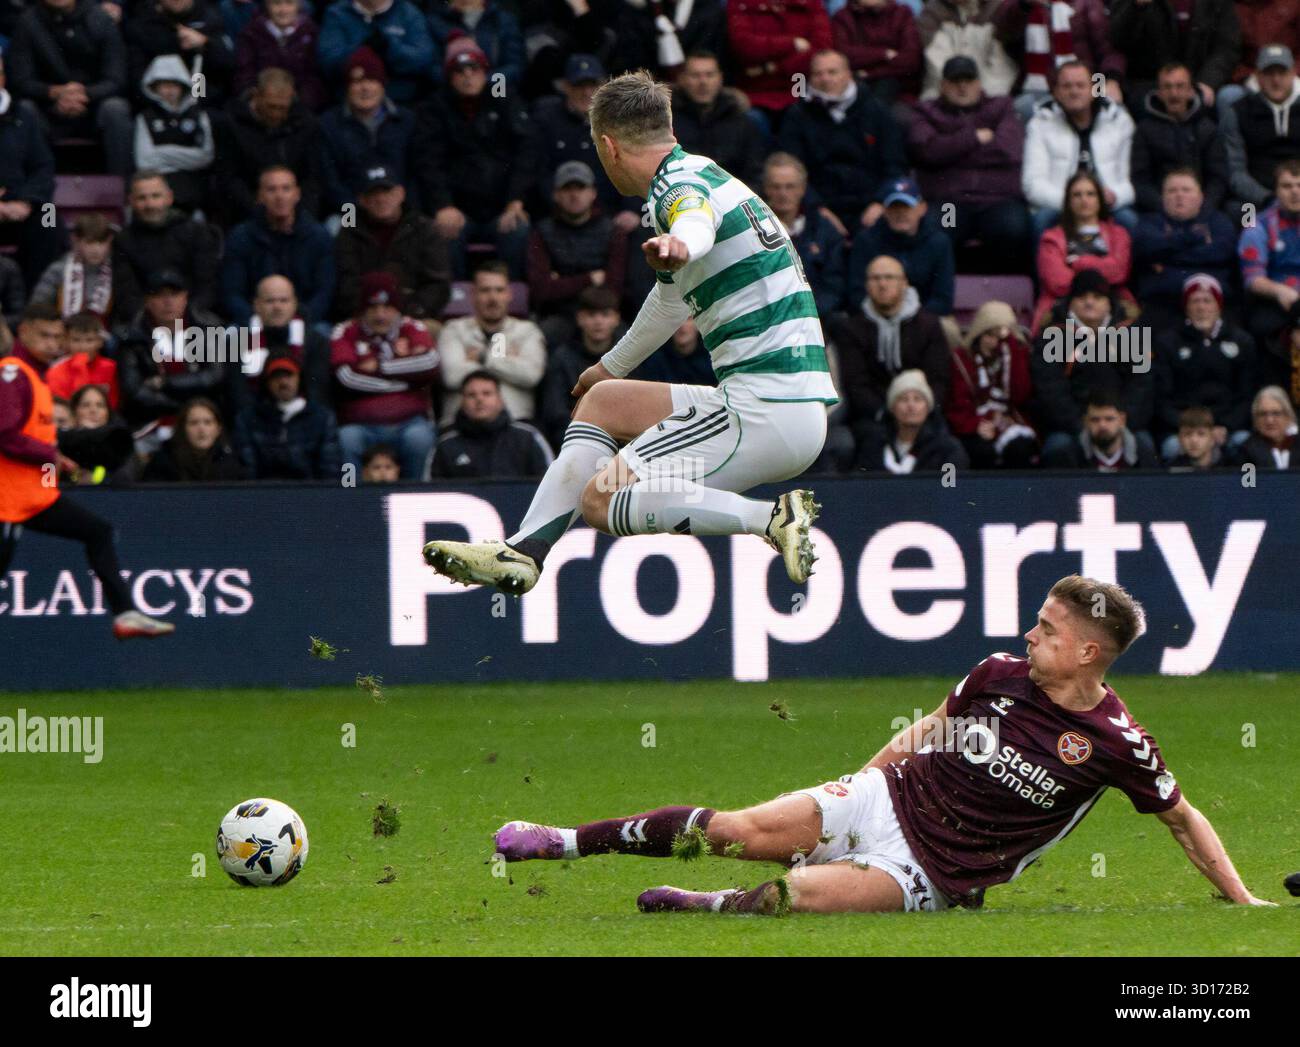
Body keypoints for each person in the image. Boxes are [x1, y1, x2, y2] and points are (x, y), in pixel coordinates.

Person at [492, 576, 1274, 915]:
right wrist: (856, 788)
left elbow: (1182, 817)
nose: (1030, 634)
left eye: (1048, 629)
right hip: (888, 797)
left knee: (796, 898)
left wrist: (1238, 898)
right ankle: (561, 841)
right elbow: (931, 725)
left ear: (1088, 655)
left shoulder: (1116, 742)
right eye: (1037, 620)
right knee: (736, 832)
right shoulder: (999, 673)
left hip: (931, 872)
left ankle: (704, 905)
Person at [422, 71, 838, 597]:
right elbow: (669, 300)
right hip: (782, 406)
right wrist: (609, 367)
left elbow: (694, 219)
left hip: (761, 415)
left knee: (602, 498)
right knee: (604, 402)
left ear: (608, 146)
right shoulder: (703, 171)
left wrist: (682, 243)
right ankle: (524, 551)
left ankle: (769, 520)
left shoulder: (676, 189)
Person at [0, 304, 175, 638]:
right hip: (7, 500)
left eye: (57, 337)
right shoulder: (12, 372)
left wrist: (56, 466)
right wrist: (51, 453)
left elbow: (32, 441)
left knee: (98, 531)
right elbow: (6, 434)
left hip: (32, 496)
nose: (53, 343)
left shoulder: (35, 378)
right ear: (23, 332)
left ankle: (125, 614)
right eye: (44, 335)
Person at [411, 39, 537, 279]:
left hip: (501, 207)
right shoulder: (434, 108)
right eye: (459, 71)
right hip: (457, 208)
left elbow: (527, 152)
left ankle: (509, 301)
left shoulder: (504, 99)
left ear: (485, 72)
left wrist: (516, 200)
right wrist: (443, 205)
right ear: (449, 76)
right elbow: (428, 161)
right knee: (443, 230)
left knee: (518, 228)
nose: (468, 76)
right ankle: (451, 301)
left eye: (474, 69)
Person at [908, 54, 1030, 272]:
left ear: (979, 83)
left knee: (1014, 228)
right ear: (943, 85)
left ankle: (1006, 293)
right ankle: (943, 296)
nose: (962, 87)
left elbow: (1007, 150)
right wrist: (973, 138)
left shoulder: (1001, 107)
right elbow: (928, 151)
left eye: (968, 81)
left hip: (996, 199)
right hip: (950, 201)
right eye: (955, 82)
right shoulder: (925, 111)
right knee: (939, 229)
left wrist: (950, 150)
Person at [831, 254, 951, 457]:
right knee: (867, 442)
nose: (882, 284)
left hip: (922, 413)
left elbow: (939, 379)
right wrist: (888, 413)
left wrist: (916, 410)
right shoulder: (852, 328)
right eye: (875, 278)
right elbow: (856, 383)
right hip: (875, 416)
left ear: (904, 283)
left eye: (889, 277)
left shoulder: (929, 325)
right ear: (867, 285)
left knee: (942, 443)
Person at [777, 49, 907, 235]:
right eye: (818, 73)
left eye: (832, 72)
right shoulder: (797, 115)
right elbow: (793, 169)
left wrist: (879, 202)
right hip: (819, 209)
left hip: (871, 207)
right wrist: (818, 208)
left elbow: (895, 165)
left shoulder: (876, 111)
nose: (825, 78)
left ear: (848, 74)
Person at [1031, 270, 1153, 461]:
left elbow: (1143, 384)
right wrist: (1084, 425)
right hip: (1071, 427)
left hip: (1123, 423)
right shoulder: (1052, 336)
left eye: (1097, 297)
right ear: (1071, 301)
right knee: (1058, 447)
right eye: (1081, 297)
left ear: (1108, 302)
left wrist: (1119, 422)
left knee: (1145, 446)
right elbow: (1050, 391)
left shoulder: (1132, 333)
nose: (1089, 302)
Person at [331, 270, 440, 480]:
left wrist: (381, 367)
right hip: (360, 425)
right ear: (363, 308)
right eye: (373, 307)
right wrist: (405, 380)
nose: (380, 315)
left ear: (397, 308)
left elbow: (430, 362)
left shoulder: (412, 328)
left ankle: (416, 501)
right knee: (347, 440)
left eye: (387, 307)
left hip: (409, 422)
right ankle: (348, 497)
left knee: (420, 439)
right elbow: (345, 376)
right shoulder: (345, 331)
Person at [8, 0, 133, 176]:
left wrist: (84, 94)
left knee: (116, 109)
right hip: (47, 109)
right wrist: (54, 92)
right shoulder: (27, 23)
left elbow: (116, 78)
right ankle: (29, 194)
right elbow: (20, 80)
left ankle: (123, 193)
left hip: (94, 107)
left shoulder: (100, 19)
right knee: (24, 109)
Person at [1022, 61, 1138, 241]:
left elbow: (1131, 180)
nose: (1074, 92)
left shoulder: (1119, 121)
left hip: (1107, 205)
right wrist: (1073, 202)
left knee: (1129, 221)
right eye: (1067, 86)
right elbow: (1032, 185)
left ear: (1093, 89)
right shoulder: (1040, 123)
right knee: (1041, 220)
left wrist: (1114, 196)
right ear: (1056, 92)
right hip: (1058, 205)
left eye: (1080, 85)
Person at [1153, 273, 1256, 459]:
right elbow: (1161, 397)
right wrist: (1191, 431)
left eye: (1207, 301)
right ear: (1186, 307)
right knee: (1171, 448)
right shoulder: (1167, 342)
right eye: (1195, 301)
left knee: (1245, 443)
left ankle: (1245, 488)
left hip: (1226, 427)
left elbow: (1246, 395)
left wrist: (1225, 426)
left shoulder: (1242, 341)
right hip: (1184, 429)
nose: (1201, 307)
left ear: (1218, 305)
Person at [526, 159, 628, 346]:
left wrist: (560, 283)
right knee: (538, 338)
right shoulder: (542, 232)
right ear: (556, 195)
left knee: (629, 340)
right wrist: (590, 279)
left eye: (580, 188)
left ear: (592, 193)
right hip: (558, 316)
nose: (574, 195)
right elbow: (541, 290)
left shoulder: (613, 231)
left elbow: (614, 289)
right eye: (567, 189)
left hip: (602, 315)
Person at [117, 269, 228, 436]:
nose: (168, 302)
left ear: (185, 298)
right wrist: (180, 408)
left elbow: (213, 376)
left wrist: (164, 383)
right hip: (151, 422)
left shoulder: (209, 329)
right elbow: (134, 389)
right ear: (147, 301)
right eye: (160, 295)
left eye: (174, 294)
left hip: (203, 419)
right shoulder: (131, 337)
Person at [334, 167, 451, 323]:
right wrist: (371, 314)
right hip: (364, 318)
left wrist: (409, 314)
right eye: (374, 194)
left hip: (415, 317)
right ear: (362, 200)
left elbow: (437, 284)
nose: (381, 199)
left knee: (432, 331)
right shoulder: (350, 232)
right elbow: (347, 283)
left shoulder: (424, 229)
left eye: (387, 192)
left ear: (401, 194)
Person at [221, 165, 335, 325]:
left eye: (286, 189)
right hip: (254, 321)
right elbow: (233, 292)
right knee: (229, 339)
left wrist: (301, 320)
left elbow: (324, 292)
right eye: (272, 190)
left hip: (306, 322)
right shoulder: (241, 237)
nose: (280, 196)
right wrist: (256, 321)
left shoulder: (319, 237)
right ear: (260, 196)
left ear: (297, 194)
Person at [438, 261, 546, 428]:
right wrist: (507, 362)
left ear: (509, 294)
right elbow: (451, 377)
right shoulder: (453, 330)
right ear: (473, 294)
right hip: (460, 427)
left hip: (516, 424)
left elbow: (531, 376)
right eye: (485, 290)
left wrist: (481, 357)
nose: (493, 298)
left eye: (499, 290)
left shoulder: (527, 331)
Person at [1131, 167, 1238, 331]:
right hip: (1163, 303)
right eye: (1172, 191)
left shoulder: (1219, 221)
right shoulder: (1148, 222)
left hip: (1213, 301)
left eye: (1186, 190)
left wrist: (1168, 257)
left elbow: (1222, 252)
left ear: (1201, 197)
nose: (1179, 195)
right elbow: (1147, 247)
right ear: (1163, 197)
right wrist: (1195, 240)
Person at [318, 46, 415, 215]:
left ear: (383, 85)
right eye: (357, 82)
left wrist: (398, 211)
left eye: (371, 80)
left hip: (400, 213)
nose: (365, 88)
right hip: (349, 212)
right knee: (337, 233)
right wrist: (354, 214)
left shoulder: (406, 120)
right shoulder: (328, 125)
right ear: (347, 87)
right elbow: (329, 183)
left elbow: (417, 174)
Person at [217, 67, 321, 224]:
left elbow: (312, 178)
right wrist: (257, 210)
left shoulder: (305, 124)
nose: (276, 114)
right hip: (246, 212)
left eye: (282, 108)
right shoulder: (231, 124)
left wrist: (301, 215)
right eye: (271, 106)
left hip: (296, 211)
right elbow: (229, 178)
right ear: (256, 95)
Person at [1033, 171, 1133, 333]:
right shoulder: (1051, 237)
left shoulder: (1119, 234)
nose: (1084, 199)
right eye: (1077, 195)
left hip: (1114, 309)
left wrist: (1079, 263)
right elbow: (1058, 283)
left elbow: (1119, 271)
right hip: (1063, 311)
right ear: (1068, 201)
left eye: (1090, 194)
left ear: (1100, 199)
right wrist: (1101, 269)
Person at [995, 0, 1125, 118]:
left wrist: (1111, 81)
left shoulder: (1088, 4)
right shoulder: (1018, 5)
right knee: (1019, 110)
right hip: (1039, 89)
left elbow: (1107, 50)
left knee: (1113, 110)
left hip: (1086, 85)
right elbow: (1002, 31)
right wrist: (1024, 5)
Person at [847, 176, 956, 315]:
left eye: (907, 207)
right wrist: (886, 315)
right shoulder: (866, 241)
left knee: (948, 329)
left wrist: (910, 320)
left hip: (924, 321)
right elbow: (856, 293)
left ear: (922, 208)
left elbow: (942, 299)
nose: (900, 213)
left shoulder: (939, 242)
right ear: (884, 211)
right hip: (874, 318)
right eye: (894, 207)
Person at [116, 171, 220, 317]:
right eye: (142, 198)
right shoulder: (123, 241)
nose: (150, 204)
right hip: (145, 324)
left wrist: (186, 316)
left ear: (169, 198)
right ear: (131, 201)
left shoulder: (197, 233)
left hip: (193, 319)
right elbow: (127, 293)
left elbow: (207, 285)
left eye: (155, 196)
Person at [946, 300, 1036, 467]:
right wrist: (976, 426)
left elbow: (1020, 395)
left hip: (1010, 423)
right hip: (973, 423)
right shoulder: (962, 359)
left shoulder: (1018, 355)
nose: (994, 342)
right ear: (978, 334)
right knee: (981, 450)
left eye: (1000, 337)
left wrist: (1010, 347)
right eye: (989, 335)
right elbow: (957, 404)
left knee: (1020, 449)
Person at [1130, 62, 1229, 214]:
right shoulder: (1144, 130)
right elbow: (1140, 180)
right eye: (1167, 87)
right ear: (1159, 93)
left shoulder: (1207, 129)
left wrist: (1202, 207)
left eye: (1180, 86)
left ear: (1191, 91)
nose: (1174, 93)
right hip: (1158, 212)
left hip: (1202, 210)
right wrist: (1165, 207)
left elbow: (1218, 178)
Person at [1107, 0, 1240, 108]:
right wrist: (1135, 7)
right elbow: (1117, 41)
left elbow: (1226, 46)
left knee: (1225, 100)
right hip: (1149, 85)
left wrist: (1208, 81)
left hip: (1199, 83)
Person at [0, 51, 60, 289]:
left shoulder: (23, 115)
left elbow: (44, 167)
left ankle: (37, 298)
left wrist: (26, 202)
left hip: (21, 206)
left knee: (50, 216)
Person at [760, 153, 845, 319]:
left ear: (803, 188)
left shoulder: (824, 230)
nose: (783, 193)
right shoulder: (753, 230)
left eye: (790, 186)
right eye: (776, 187)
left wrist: (807, 314)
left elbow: (834, 284)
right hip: (768, 320)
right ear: (766, 188)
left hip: (817, 320)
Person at [233, 353, 342, 479]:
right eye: (276, 377)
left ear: (299, 378)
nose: (283, 382)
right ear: (267, 382)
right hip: (263, 493)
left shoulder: (322, 418)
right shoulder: (249, 419)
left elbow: (330, 467)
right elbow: (248, 468)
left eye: (289, 375)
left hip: (311, 492)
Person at [538, 286, 623, 449]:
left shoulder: (631, 357)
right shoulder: (562, 358)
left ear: (616, 319)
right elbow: (555, 411)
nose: (598, 321)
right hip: (573, 439)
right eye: (591, 315)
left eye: (605, 314)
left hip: (622, 441)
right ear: (580, 319)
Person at [1238, 157, 1300, 377]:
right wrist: (1281, 291)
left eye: (1299, 185)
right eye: (1287, 186)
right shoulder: (1258, 225)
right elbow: (1253, 279)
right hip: (1277, 300)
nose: (1295, 192)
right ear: (1275, 190)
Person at [431, 370, 554, 479]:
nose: (479, 399)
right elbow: (433, 495)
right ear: (462, 402)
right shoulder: (445, 445)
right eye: (471, 395)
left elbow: (550, 486)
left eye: (487, 393)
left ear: (500, 400)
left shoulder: (528, 438)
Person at [132, 54, 216, 214]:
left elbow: (205, 156)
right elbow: (145, 161)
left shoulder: (198, 115)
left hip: (195, 188)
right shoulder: (145, 117)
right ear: (154, 87)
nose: (169, 90)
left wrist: (162, 153)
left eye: (174, 85)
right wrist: (187, 156)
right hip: (159, 186)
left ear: (183, 86)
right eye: (164, 85)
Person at [1222, 44, 1300, 211]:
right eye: (1269, 73)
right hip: (1256, 200)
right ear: (1257, 75)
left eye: (1282, 73)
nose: (1276, 80)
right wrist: (1268, 198)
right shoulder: (1238, 111)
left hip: (1298, 195)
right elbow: (1235, 171)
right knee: (1241, 215)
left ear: (1293, 73)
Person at [727, 0, 832, 122]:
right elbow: (744, 47)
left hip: (800, 89)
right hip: (755, 93)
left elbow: (820, 51)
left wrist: (772, 67)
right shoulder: (741, 3)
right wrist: (792, 44)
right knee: (752, 120)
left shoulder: (810, 4)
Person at [237, 274, 333, 407]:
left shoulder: (315, 342)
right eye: (270, 301)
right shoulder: (240, 342)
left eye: (284, 300)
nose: (277, 306)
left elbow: (317, 393)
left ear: (294, 304)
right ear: (256, 305)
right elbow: (239, 395)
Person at [316, 0, 434, 106]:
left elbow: (423, 60)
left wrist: (389, 48)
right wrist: (363, 49)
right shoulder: (337, 13)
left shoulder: (409, 14)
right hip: (349, 105)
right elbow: (329, 62)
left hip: (402, 102)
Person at [30, 213, 134, 329]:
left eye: (101, 242)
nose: (96, 250)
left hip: (106, 336)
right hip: (63, 334)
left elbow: (126, 311)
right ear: (76, 240)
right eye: (89, 242)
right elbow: (38, 307)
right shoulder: (58, 270)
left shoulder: (119, 271)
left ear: (110, 241)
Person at [125, 0, 236, 106]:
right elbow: (137, 77)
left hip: (202, 96)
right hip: (157, 101)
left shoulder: (209, 17)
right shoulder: (143, 24)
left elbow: (229, 64)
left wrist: (205, 44)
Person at [857, 368, 969, 472]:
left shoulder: (947, 449)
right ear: (892, 408)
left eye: (918, 399)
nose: (911, 405)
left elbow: (952, 488)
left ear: (928, 407)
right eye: (904, 399)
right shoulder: (874, 446)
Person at [233, 0, 325, 112]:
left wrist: (300, 103)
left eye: (289, 3)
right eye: (276, 3)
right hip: (260, 104)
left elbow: (314, 76)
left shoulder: (311, 33)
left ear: (298, 5)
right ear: (267, 5)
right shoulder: (251, 34)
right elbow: (244, 73)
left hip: (300, 106)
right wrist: (253, 98)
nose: (283, 10)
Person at [831, 0, 922, 105]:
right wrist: (884, 54)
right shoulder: (843, 17)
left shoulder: (902, 13)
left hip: (896, 85)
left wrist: (870, 73)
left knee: (886, 85)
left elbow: (911, 59)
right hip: (856, 83)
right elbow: (844, 55)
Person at [427, 0, 526, 91]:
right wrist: (459, 82)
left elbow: (515, 66)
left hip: (498, 91)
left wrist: (484, 81)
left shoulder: (503, 21)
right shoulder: (435, 23)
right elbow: (433, 68)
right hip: (451, 94)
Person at [1053, 387, 1160, 470]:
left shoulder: (1143, 457)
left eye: (1109, 419)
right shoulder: (1067, 459)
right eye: (1095, 420)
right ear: (1085, 422)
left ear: (1122, 420)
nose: (1102, 425)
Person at [142, 396, 245, 481]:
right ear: (182, 429)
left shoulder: (231, 465)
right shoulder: (162, 463)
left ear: (218, 429)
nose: (201, 429)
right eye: (194, 423)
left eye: (208, 422)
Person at [59, 382, 134, 482]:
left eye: (100, 405)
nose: (93, 410)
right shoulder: (61, 444)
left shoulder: (120, 445)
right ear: (74, 412)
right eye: (85, 405)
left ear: (108, 413)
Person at [46, 311, 118, 408]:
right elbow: (59, 408)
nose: (83, 347)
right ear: (66, 341)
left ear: (100, 342)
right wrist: (80, 369)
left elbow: (113, 404)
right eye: (76, 340)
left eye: (89, 340)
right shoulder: (56, 372)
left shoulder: (110, 367)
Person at [1235, 384, 1298, 469]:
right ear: (1255, 419)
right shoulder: (1246, 451)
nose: (1269, 420)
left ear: (1288, 416)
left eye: (1276, 413)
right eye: (1263, 414)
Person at [1166, 405, 1231, 470]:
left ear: (1212, 439)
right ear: (1180, 439)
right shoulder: (1171, 470)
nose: (1194, 440)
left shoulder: (1230, 468)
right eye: (1187, 434)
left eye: (1201, 434)